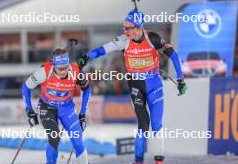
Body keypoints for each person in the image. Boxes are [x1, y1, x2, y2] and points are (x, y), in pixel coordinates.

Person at [77, 10, 187, 164]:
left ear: (138, 28)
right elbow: (102, 49)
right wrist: (86, 57)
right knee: (143, 124)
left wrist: (181, 80)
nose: (125, 31)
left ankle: (159, 161)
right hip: (135, 85)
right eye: (124, 27)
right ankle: (138, 161)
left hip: (154, 85)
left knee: (156, 124)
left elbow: (174, 56)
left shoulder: (152, 38)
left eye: (128, 28)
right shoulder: (123, 41)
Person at [22, 47, 91, 164]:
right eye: (60, 68)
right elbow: (26, 87)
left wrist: (82, 114)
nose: (64, 71)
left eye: (66, 67)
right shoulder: (43, 72)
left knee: (78, 141)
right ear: (54, 65)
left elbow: (87, 89)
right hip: (47, 107)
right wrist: (29, 111)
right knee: (55, 137)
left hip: (67, 108)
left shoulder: (75, 71)